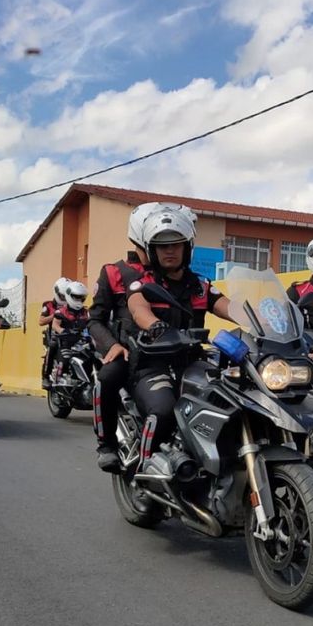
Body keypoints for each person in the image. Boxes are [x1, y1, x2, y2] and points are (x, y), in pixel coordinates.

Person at [126, 204, 232, 468]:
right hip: (153, 365)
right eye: (162, 246)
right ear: (152, 250)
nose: (170, 251)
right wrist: (155, 326)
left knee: (230, 401)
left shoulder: (201, 286)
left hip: (193, 364)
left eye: (176, 244)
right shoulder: (144, 285)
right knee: (163, 409)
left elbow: (230, 307)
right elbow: (138, 308)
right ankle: (144, 465)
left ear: (187, 247)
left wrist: (265, 320)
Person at [89, 202, 177, 472]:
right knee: (107, 377)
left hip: (169, 353)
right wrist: (112, 345)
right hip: (129, 351)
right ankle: (106, 444)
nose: (170, 248)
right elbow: (95, 319)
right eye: (163, 241)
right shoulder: (115, 272)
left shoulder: (172, 276)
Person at [50, 281, 90, 379]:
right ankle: (58, 377)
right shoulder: (61, 312)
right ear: (69, 295)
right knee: (64, 359)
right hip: (66, 342)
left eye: (81, 297)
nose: (79, 299)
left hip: (82, 343)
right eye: (76, 297)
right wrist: (64, 331)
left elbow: (91, 325)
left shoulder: (86, 312)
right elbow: (55, 325)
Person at [40, 277, 70, 389]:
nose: (64, 299)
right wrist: (56, 315)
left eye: (66, 296)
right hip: (54, 335)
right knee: (52, 346)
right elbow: (41, 321)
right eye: (62, 296)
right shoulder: (48, 305)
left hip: (69, 335)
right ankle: (45, 377)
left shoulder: (72, 305)